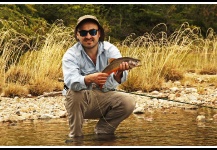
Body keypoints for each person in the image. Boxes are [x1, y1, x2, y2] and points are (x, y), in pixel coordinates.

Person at [62, 15, 136, 139]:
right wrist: (89, 78)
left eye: (92, 31)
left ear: (99, 33)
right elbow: (71, 82)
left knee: (128, 101)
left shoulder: (110, 49)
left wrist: (118, 74)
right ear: (77, 35)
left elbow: (111, 86)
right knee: (75, 93)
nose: (88, 36)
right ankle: (76, 137)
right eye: (83, 33)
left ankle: (103, 132)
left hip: (103, 98)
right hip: (79, 103)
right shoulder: (70, 55)